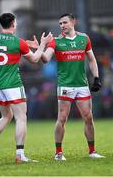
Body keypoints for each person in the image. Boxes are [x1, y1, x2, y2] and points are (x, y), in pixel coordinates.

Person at [28, 13, 105, 160]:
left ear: (73, 22)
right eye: (60, 24)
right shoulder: (56, 41)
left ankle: (92, 151)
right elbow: (45, 59)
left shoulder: (84, 38)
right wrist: (41, 46)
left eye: (64, 22)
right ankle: (58, 153)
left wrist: (96, 78)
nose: (62, 26)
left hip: (82, 84)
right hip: (65, 85)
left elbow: (92, 59)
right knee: (62, 118)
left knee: (88, 118)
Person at [0, 13, 52, 163]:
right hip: (13, 85)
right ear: (13, 24)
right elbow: (36, 59)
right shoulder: (18, 42)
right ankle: (20, 155)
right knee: (21, 118)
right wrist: (43, 44)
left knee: (6, 116)